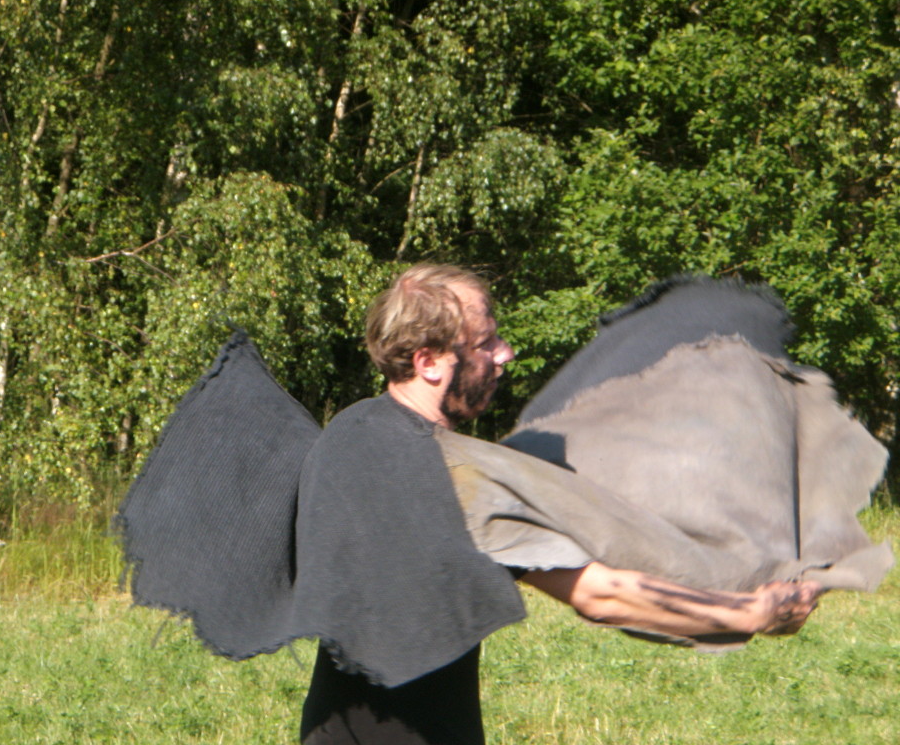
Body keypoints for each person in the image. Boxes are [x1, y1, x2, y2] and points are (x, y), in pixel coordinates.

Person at [298, 263, 822, 744]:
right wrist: (752, 612)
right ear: (428, 362)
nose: (505, 353)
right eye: (485, 343)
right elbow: (603, 594)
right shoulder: (451, 474)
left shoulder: (348, 432)